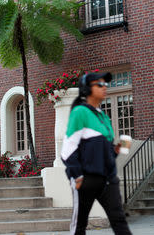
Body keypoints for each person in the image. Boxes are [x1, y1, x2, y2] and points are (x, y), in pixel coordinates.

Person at [61, 72, 132, 235]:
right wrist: (77, 176)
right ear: (87, 88)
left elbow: (104, 152)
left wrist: (117, 148)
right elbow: (67, 149)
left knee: (119, 220)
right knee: (80, 224)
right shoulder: (80, 112)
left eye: (106, 85)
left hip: (108, 179)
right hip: (86, 178)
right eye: (99, 84)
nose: (105, 88)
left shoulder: (103, 117)